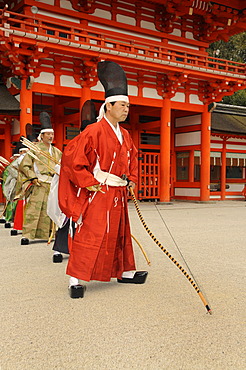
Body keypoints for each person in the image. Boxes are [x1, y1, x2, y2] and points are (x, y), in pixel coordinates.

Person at [59, 61, 148, 298]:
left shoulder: (125, 134)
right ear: (108, 106)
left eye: (128, 105)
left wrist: (131, 179)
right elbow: (72, 160)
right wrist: (89, 182)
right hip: (99, 190)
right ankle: (75, 278)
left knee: (120, 232)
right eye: (122, 105)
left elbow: (133, 160)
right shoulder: (93, 131)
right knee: (91, 232)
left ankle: (125, 270)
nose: (126, 109)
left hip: (118, 191)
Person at [19, 112, 62, 245]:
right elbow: (24, 165)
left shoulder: (57, 151)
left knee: (52, 209)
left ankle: (50, 233)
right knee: (35, 209)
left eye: (52, 134)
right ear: (42, 135)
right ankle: (28, 234)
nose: (50, 136)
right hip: (39, 182)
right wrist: (32, 178)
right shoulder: (34, 149)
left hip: (53, 183)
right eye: (48, 134)